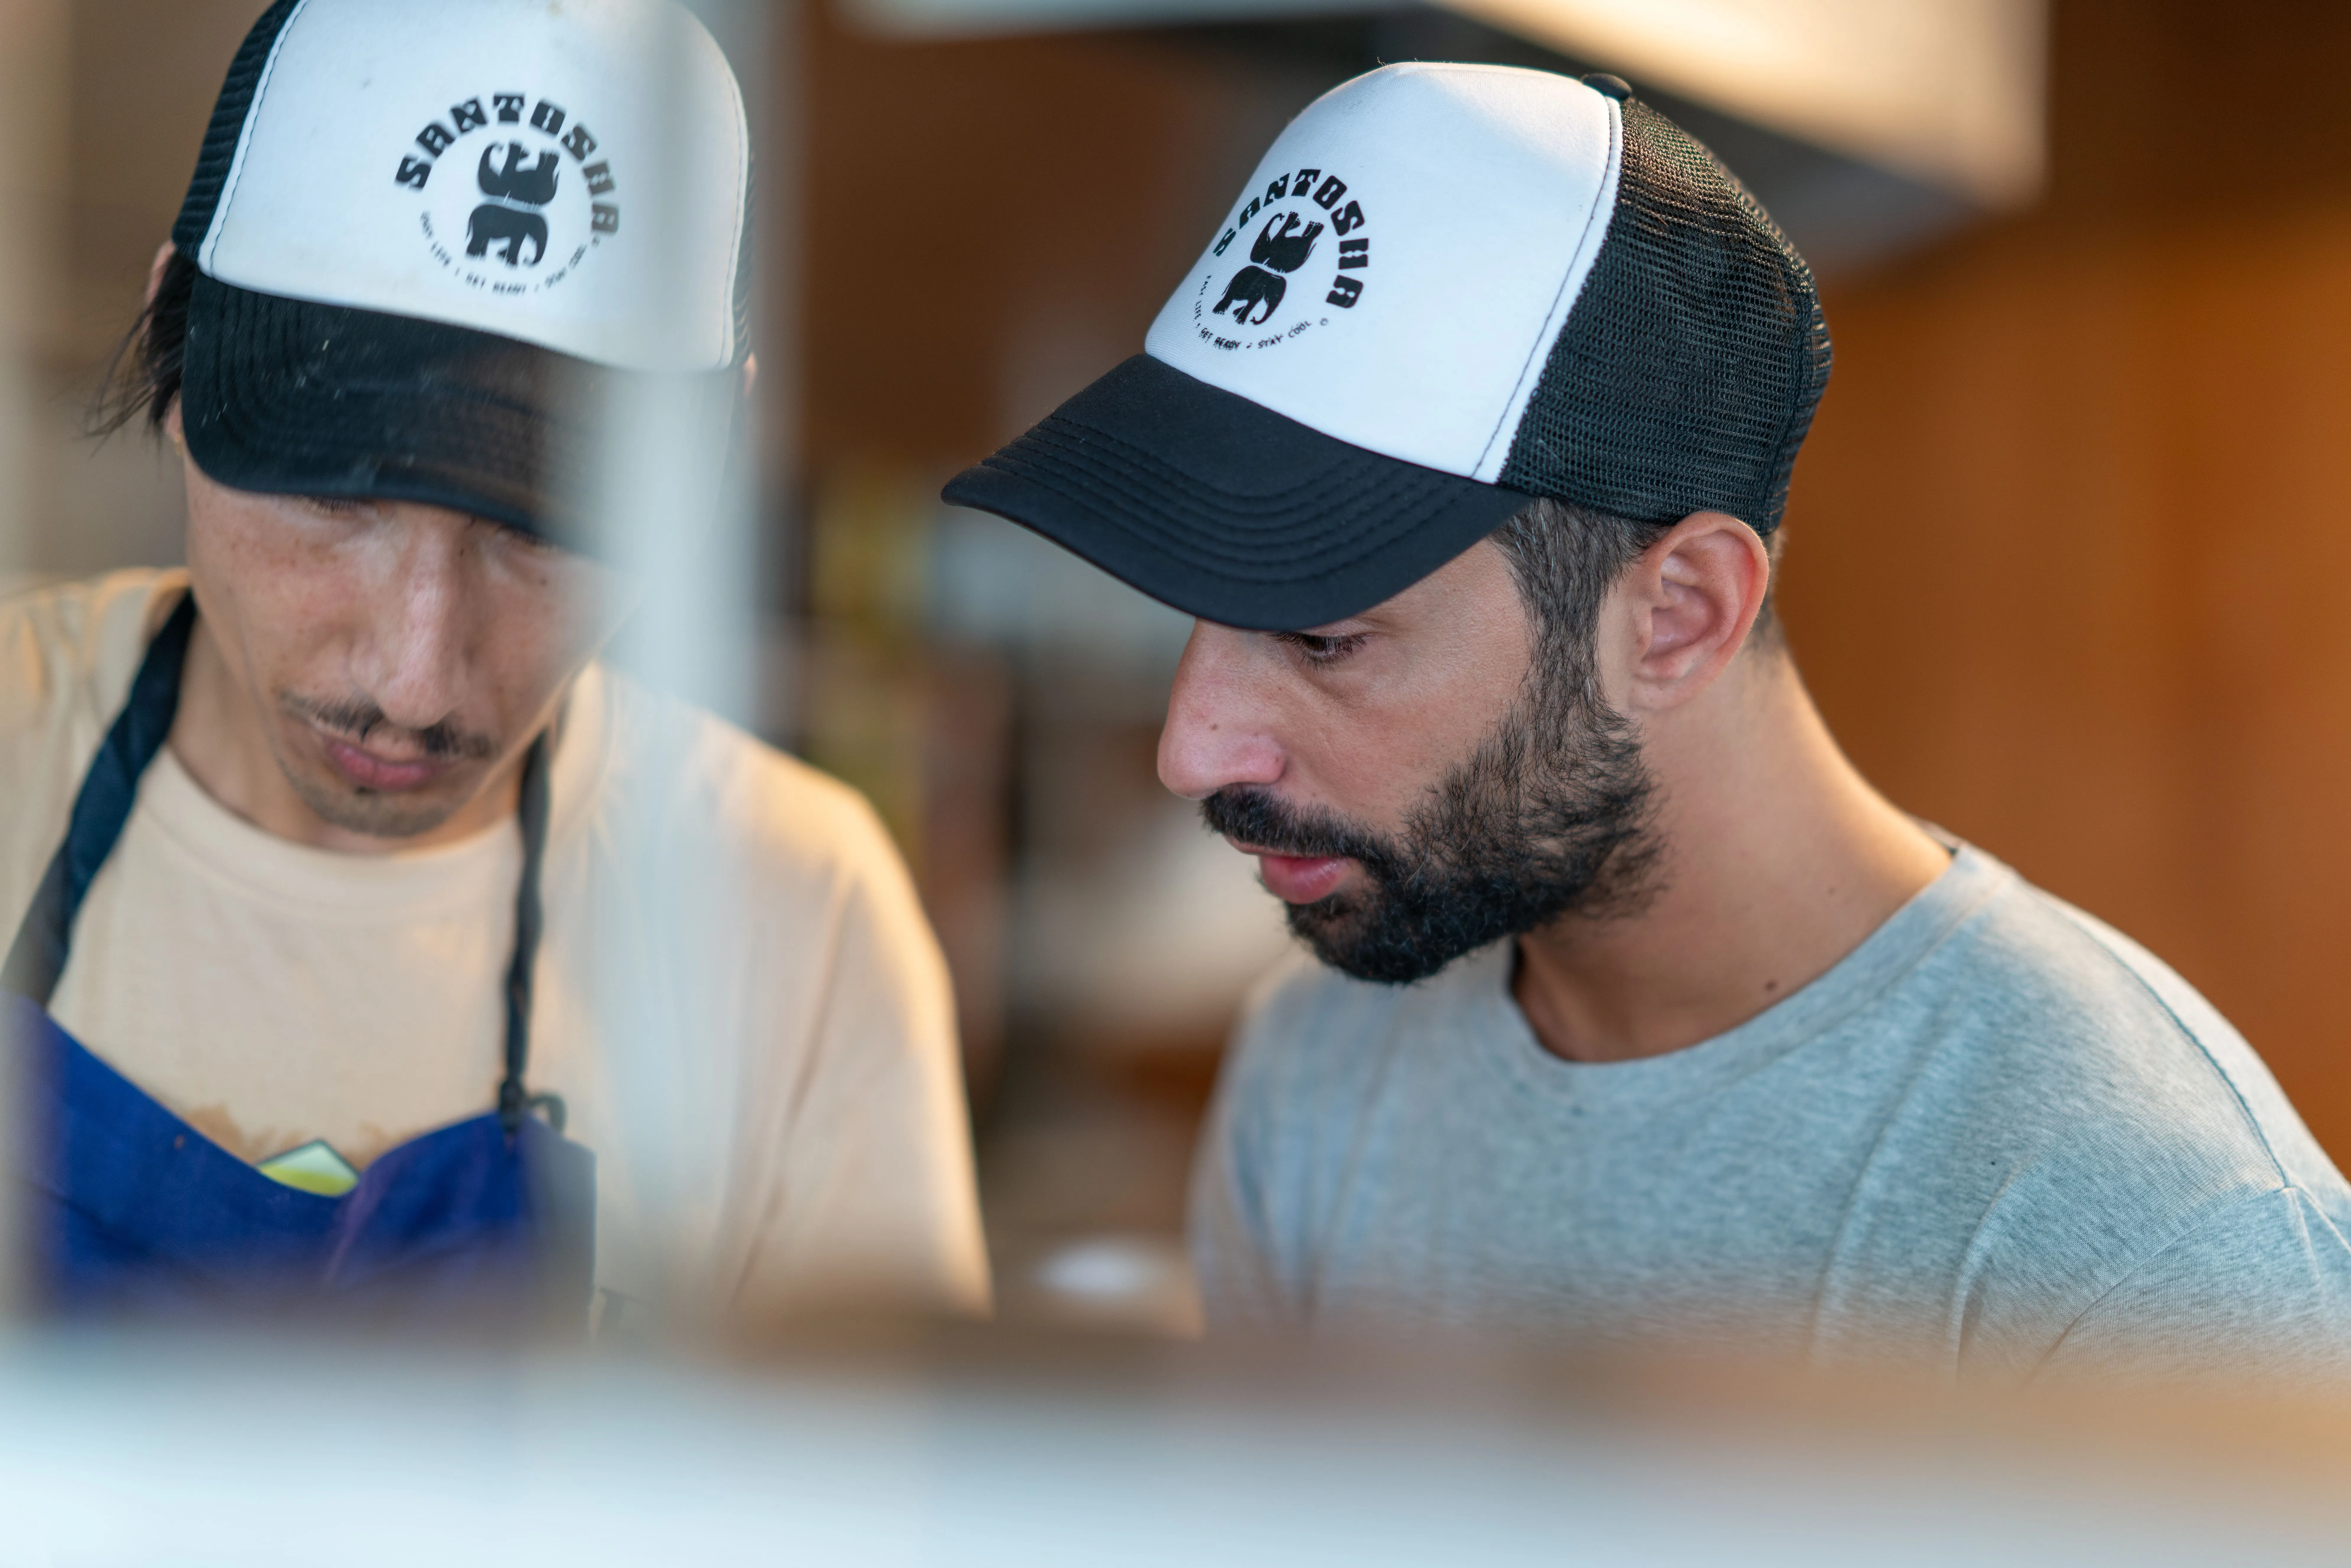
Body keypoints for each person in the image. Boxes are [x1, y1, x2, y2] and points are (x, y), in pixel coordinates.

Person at [944, 62, 2351, 1377]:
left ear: (1676, 612)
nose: (1189, 749)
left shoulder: (2146, 1242)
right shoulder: (1317, 1075)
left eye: (1324, 636)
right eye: (1193, 610)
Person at [1, 0, 986, 1326]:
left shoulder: (791, 919)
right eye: (336, 502)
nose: (416, 681)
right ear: (175, 344)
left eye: (541, 535)